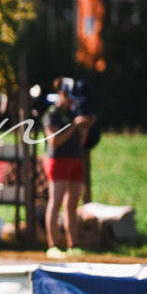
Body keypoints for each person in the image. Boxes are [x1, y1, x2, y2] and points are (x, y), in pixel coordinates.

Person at [42, 77, 93, 259]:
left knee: (72, 206)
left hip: (75, 160)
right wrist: (74, 126)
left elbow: (81, 142)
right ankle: (53, 246)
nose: (73, 101)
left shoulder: (73, 113)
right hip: (58, 161)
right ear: (62, 94)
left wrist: (85, 128)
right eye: (70, 97)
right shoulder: (52, 114)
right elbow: (55, 141)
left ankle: (74, 245)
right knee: (55, 202)